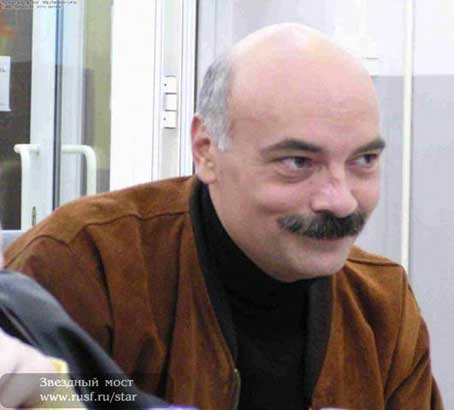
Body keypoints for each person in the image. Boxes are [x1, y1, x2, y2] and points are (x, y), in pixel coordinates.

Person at [5, 23, 443, 410]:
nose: (341, 201)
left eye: (364, 160)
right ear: (206, 151)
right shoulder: (85, 263)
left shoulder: (382, 305)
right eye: (297, 162)